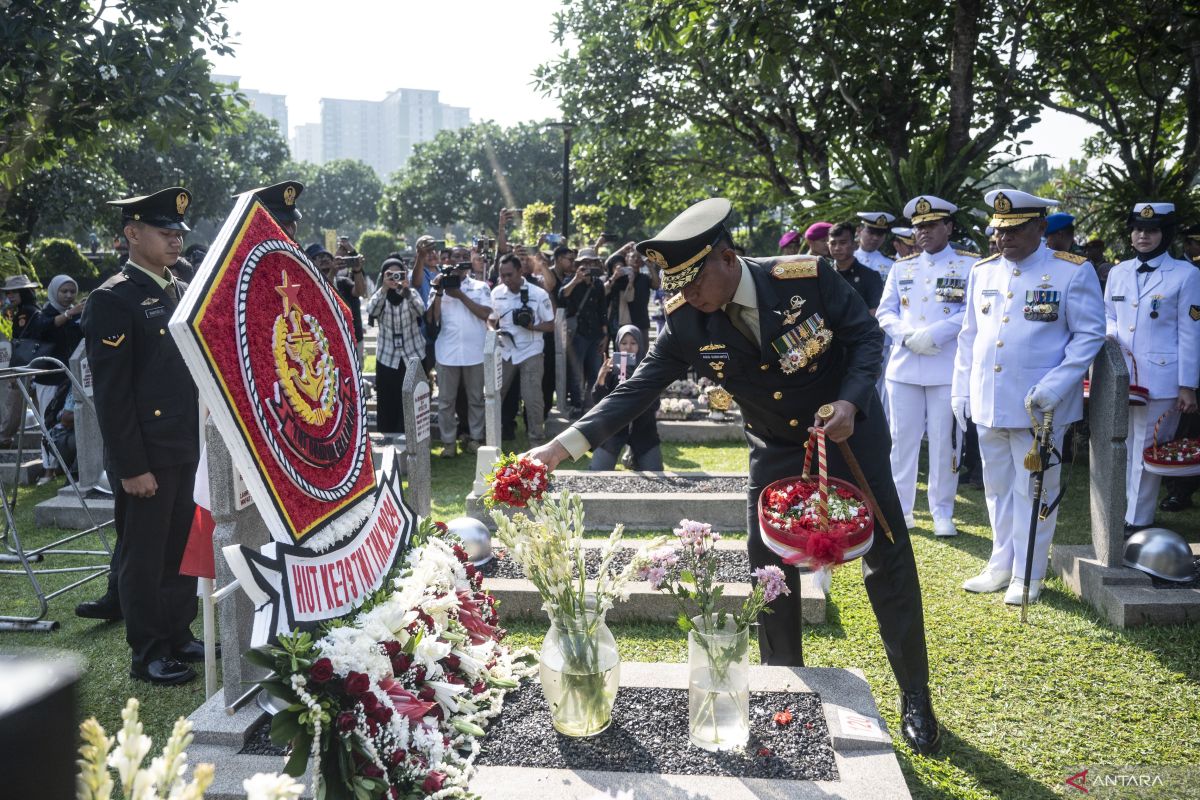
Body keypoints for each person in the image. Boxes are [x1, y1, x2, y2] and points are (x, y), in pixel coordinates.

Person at [527, 197, 940, 755]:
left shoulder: (806, 278)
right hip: (774, 449)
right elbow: (636, 389)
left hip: (849, 439)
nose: (688, 296)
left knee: (887, 559)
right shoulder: (686, 321)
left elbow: (867, 337)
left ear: (727, 257)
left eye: (694, 282)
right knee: (769, 576)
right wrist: (556, 449)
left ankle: (916, 693)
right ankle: (784, 689)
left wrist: (849, 401)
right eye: (679, 286)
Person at [952, 189, 1105, 603]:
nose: (1005, 239)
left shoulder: (1071, 271)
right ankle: (1001, 563)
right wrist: (960, 390)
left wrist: (1058, 385)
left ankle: (1028, 573)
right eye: (1000, 231)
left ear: (1040, 227)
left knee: (1035, 488)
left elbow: (1089, 335)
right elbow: (969, 337)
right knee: (997, 487)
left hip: (1040, 409)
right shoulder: (982, 271)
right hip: (988, 400)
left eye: (1016, 230)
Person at [79, 186, 203, 686]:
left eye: (178, 233)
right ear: (132, 234)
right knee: (143, 553)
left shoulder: (180, 287)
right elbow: (113, 395)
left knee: (180, 547)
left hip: (184, 442)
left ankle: (177, 632)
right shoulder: (113, 299)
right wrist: (131, 466)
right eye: (163, 231)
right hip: (146, 452)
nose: (175, 241)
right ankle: (148, 650)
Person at [876, 196, 977, 536]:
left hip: (945, 366)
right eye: (919, 227)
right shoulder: (901, 267)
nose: (923, 232)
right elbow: (885, 312)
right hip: (904, 367)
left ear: (948, 227)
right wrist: (907, 336)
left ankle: (942, 511)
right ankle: (900, 508)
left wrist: (934, 334)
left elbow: (973, 313)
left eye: (931, 225)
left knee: (944, 442)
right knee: (901, 441)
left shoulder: (970, 265)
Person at [1104, 202, 1200, 534]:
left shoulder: (1186, 275)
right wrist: (1112, 339)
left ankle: (1138, 518)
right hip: (1121, 376)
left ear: (1166, 234)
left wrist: (1187, 385)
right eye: (1138, 229)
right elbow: (1110, 318)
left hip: (1162, 377)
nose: (1143, 235)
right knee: (1123, 446)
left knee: (1148, 448)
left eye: (1152, 230)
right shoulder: (1118, 273)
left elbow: (1190, 332)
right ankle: (1125, 510)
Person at [427, 260, 491, 457]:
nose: (456, 269)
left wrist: (460, 296)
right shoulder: (439, 287)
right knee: (446, 401)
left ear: (467, 268)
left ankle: (475, 439)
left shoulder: (480, 287)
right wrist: (439, 291)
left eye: (460, 265)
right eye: (451, 265)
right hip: (447, 352)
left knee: (476, 399)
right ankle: (448, 443)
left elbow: (486, 314)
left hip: (475, 351)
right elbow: (432, 318)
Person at [490, 254, 555, 443]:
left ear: (520, 271)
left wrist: (532, 326)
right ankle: (492, 436)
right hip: (505, 349)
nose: (506, 279)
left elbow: (550, 325)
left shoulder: (538, 294)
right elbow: (491, 319)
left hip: (531, 350)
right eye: (503, 276)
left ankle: (536, 437)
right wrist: (492, 331)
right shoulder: (496, 292)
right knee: (495, 393)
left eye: (510, 274)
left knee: (532, 396)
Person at [26, 274, 85, 484]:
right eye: (64, 291)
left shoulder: (77, 314)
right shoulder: (44, 314)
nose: (69, 295)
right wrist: (70, 314)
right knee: (48, 422)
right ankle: (48, 469)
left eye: (72, 291)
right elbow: (44, 328)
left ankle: (68, 466)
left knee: (72, 421)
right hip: (49, 379)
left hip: (72, 377)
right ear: (54, 291)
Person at [366, 255, 426, 434]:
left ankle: (415, 439)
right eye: (389, 275)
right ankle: (389, 437)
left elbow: (420, 310)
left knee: (413, 399)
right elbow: (372, 310)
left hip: (412, 354)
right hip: (387, 357)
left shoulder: (411, 293)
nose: (394, 279)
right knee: (388, 400)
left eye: (397, 274)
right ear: (383, 276)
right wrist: (384, 288)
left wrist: (406, 291)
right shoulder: (380, 294)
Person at [588, 325, 662, 470]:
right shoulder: (610, 368)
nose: (628, 348)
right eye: (624, 343)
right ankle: (629, 455)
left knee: (655, 471)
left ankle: (632, 456)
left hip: (643, 430)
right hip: (611, 430)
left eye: (633, 343)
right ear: (617, 345)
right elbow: (598, 402)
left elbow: (655, 405)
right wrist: (601, 379)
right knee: (598, 473)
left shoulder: (648, 368)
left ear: (640, 345)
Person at [558, 248, 609, 410]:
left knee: (594, 371)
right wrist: (576, 280)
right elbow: (562, 296)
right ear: (578, 264)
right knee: (576, 372)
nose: (588, 265)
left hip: (595, 334)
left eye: (591, 262)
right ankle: (576, 404)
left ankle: (590, 404)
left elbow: (602, 309)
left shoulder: (599, 283)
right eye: (585, 262)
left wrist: (605, 335)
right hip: (578, 334)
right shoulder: (570, 280)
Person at [0, 274, 42, 447]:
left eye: (14, 292)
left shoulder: (26, 313)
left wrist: (14, 368)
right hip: (34, 363)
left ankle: (3, 438)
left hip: (25, 364)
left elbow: (22, 343)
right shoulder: (29, 310)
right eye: (8, 292)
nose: (10, 296)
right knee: (38, 403)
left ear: (23, 292)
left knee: (14, 402)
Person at [827, 222, 884, 313]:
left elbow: (874, 314)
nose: (837, 248)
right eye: (833, 243)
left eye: (843, 242)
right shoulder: (824, 275)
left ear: (854, 244)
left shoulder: (871, 277)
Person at [855, 212, 896, 279]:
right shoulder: (847, 259)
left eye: (880, 234)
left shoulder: (891, 264)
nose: (875, 238)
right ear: (859, 231)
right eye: (871, 233)